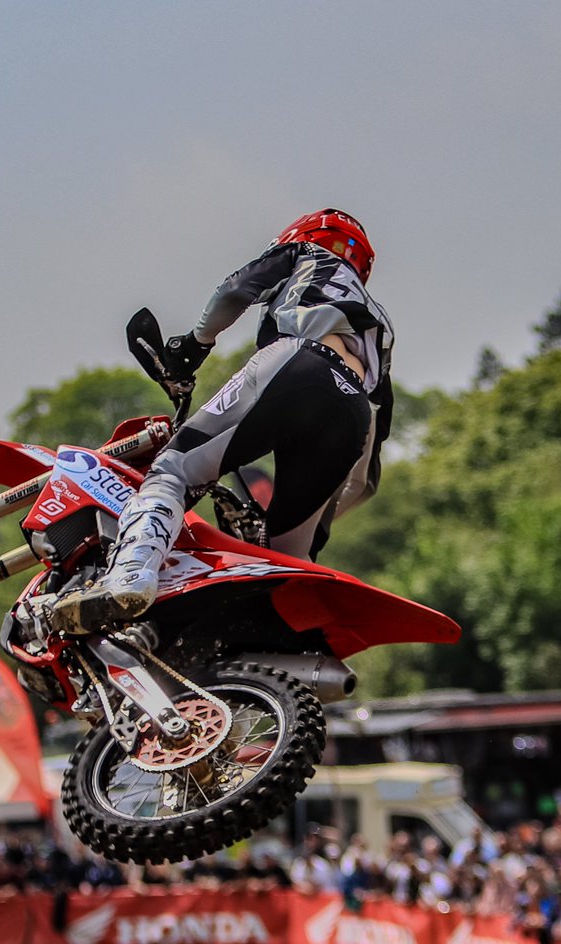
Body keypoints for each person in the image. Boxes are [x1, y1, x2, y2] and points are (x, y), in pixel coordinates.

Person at [51, 208, 394, 634]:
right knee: (283, 558)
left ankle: (131, 575)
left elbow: (235, 291)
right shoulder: (379, 330)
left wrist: (195, 345)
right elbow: (365, 482)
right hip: (354, 409)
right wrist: (312, 512)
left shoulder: (306, 253)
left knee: (173, 471)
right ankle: (271, 650)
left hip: (296, 361)